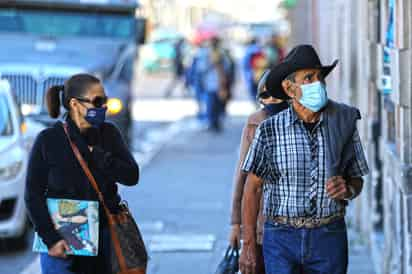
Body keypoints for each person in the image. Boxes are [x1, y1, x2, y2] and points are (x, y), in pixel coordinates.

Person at [239, 45, 370, 274]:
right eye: (308, 78)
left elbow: (357, 179)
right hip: (280, 238)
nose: (317, 84)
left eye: (320, 77)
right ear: (289, 88)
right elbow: (252, 189)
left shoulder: (343, 122)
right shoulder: (270, 130)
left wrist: (348, 188)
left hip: (329, 237)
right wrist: (248, 244)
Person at [25, 74, 140, 274]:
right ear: (75, 104)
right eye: (97, 101)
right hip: (63, 240)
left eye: (104, 100)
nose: (104, 107)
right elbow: (33, 195)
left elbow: (131, 176)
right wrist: (51, 239)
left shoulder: (109, 134)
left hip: (106, 236)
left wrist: (100, 156)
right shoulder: (48, 140)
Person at [229, 70, 289, 274]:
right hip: (260, 221)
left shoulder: (301, 120)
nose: (271, 100)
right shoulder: (255, 122)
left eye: (275, 94)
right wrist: (236, 224)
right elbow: (241, 176)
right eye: (265, 96)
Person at [243, 38, 268, 102]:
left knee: (254, 95)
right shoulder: (260, 51)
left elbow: (245, 66)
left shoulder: (247, 52)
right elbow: (265, 63)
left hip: (251, 76)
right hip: (261, 75)